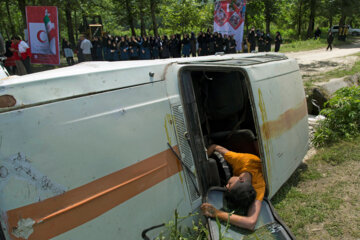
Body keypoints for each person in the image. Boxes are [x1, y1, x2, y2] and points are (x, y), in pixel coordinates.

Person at [201, 144, 265, 230]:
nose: (226, 186)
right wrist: (202, 165)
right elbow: (214, 147)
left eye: (228, 185)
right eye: (230, 185)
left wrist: (217, 213)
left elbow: (251, 223)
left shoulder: (259, 186)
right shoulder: (240, 160)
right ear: (241, 179)